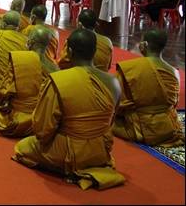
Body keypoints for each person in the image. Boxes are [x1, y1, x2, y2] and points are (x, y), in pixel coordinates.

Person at [12, 29, 125, 190]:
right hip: (100, 149)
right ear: (94, 52)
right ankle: (89, 166)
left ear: (69, 51)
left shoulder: (60, 80)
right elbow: (111, 119)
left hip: (69, 150)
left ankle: (68, 169)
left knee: (23, 147)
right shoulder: (113, 82)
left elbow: (43, 128)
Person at [0, 27, 59, 137]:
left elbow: (7, 92)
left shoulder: (20, 60)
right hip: (42, 119)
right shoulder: (55, 67)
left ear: (30, 42)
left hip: (21, 119)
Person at [112, 29, 184, 147]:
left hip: (139, 128)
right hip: (168, 127)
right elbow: (174, 103)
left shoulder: (132, 68)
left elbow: (118, 103)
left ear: (144, 45)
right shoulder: (174, 72)